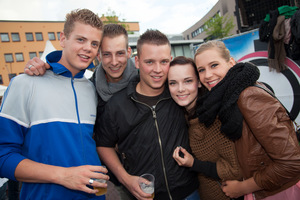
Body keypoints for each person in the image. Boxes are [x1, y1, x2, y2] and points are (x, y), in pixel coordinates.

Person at [0, 8, 109, 200]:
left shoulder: (91, 89)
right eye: (80, 39)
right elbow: (3, 157)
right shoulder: (24, 84)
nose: (88, 48)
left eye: (94, 43)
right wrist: (64, 176)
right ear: (62, 38)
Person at [24, 23, 139, 199]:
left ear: (129, 53)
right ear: (99, 55)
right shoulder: (91, 89)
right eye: (107, 54)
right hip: (115, 179)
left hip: (152, 172)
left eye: (120, 53)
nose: (114, 62)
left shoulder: (143, 81)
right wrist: (48, 69)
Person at [94, 30, 200, 200]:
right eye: (149, 62)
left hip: (189, 192)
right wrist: (125, 179)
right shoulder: (117, 105)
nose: (157, 70)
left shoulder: (179, 95)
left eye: (163, 62)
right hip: (145, 195)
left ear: (170, 61)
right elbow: (103, 144)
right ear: (136, 61)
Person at [194, 40, 300, 199]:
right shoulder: (229, 98)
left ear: (231, 63)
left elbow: (291, 164)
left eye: (214, 65)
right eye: (201, 70)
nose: (207, 75)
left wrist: (243, 187)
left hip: (279, 192)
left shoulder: (247, 96)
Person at [169, 56, 242, 200]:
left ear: (199, 83)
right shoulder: (182, 114)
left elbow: (236, 170)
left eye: (188, 81)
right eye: (173, 83)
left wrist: (193, 163)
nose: (180, 89)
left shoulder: (215, 117)